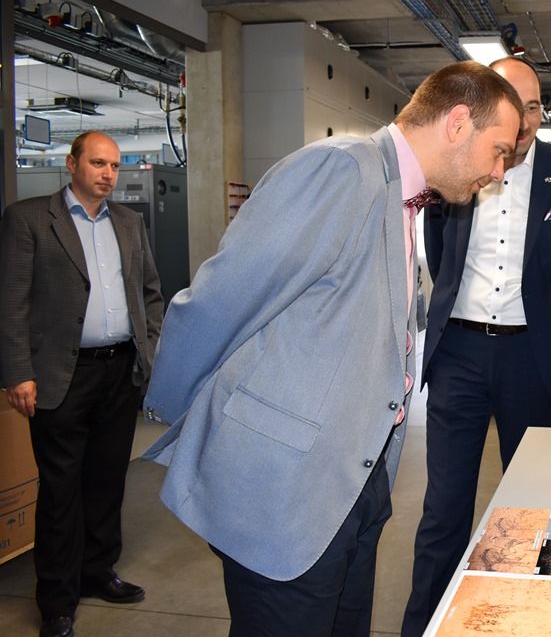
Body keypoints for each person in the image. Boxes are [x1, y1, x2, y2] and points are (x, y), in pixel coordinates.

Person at [140, 61, 523, 637]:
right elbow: (219, 303)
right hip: (286, 496)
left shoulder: (404, 199)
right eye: (498, 151)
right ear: (458, 123)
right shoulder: (341, 172)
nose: (497, 172)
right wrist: (180, 415)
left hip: (353, 485)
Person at [402, 57, 551, 636]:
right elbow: (441, 252)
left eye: (533, 106)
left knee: (530, 503)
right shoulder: (460, 162)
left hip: (528, 358)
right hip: (459, 354)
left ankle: (523, 619)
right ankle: (426, 624)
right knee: (444, 508)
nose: (524, 119)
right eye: (512, 105)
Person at [0, 130, 164, 637]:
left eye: (114, 165)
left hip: (120, 372)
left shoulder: (129, 223)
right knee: (61, 490)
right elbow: (11, 302)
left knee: (107, 481)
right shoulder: (29, 219)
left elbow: (150, 292)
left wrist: (150, 346)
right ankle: (57, 600)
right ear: (71, 164)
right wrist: (18, 371)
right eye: (97, 163)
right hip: (60, 375)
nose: (108, 174)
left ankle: (97, 571)